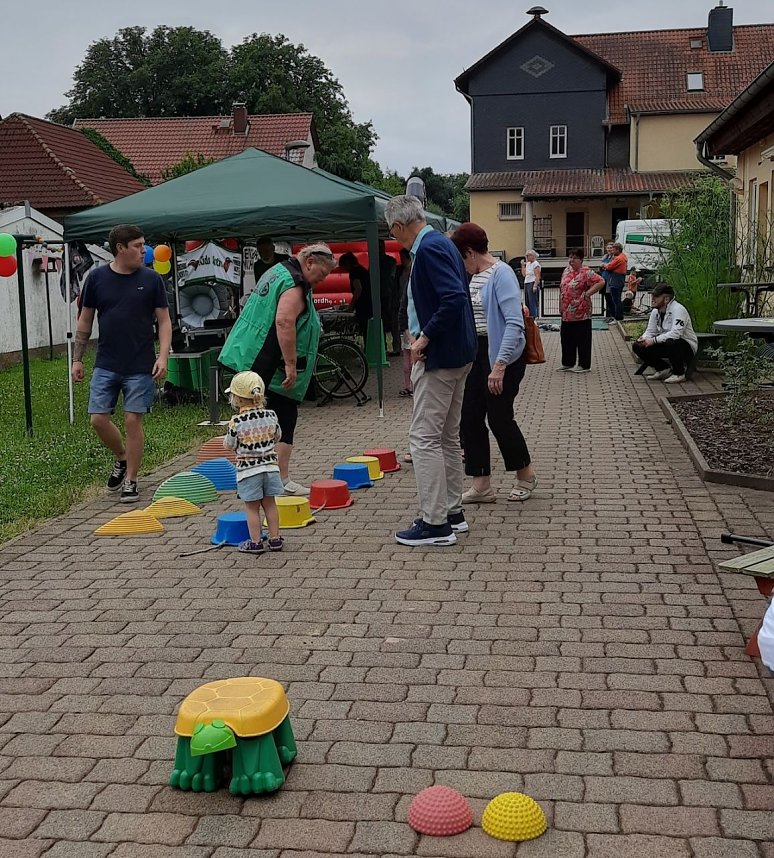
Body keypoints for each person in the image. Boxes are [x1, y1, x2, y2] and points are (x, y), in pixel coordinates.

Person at [384, 195, 476, 547]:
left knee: (423, 439)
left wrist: (424, 338)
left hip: (440, 357)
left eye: (392, 232)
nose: (394, 237)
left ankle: (435, 522)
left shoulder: (429, 249)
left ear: (398, 226)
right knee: (448, 437)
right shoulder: (443, 243)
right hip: (459, 354)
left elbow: (453, 297)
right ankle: (452, 512)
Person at [219, 243, 336, 496]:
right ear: (309, 262)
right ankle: (278, 480)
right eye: (322, 273)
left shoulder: (277, 271)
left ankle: (255, 480)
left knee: (256, 418)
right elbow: (284, 321)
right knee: (281, 419)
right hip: (269, 364)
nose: (322, 280)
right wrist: (291, 365)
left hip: (248, 353)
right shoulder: (294, 283)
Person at [72, 223, 171, 503]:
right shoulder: (96, 279)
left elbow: (164, 321)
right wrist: (77, 359)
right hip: (106, 362)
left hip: (141, 364)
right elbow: (85, 320)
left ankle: (131, 481)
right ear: (120, 248)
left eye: (144, 245)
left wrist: (163, 356)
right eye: (138, 246)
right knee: (98, 419)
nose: (144, 251)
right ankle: (122, 457)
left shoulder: (152, 280)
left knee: (132, 420)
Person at [451, 223, 537, 504]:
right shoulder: (469, 274)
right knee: (470, 417)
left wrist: (499, 365)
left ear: (470, 252)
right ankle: (481, 484)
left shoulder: (501, 274)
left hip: (503, 353)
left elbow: (514, 323)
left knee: (499, 417)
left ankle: (525, 474)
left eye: (461, 257)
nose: (461, 264)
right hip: (476, 353)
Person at [223, 371, 284, 554]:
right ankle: (275, 540)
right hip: (271, 469)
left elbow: (230, 444)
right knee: (270, 504)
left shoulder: (236, 421)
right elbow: (278, 436)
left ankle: (256, 542)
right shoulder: (271, 415)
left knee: (252, 508)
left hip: (248, 472)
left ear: (237, 399)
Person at [632, 283, 698, 383]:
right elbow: (650, 330)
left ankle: (679, 373)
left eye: (656, 297)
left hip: (685, 345)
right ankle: (663, 369)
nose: (652, 299)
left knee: (671, 342)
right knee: (637, 346)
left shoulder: (679, 310)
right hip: (665, 342)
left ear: (666, 299)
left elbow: (676, 334)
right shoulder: (655, 311)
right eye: (652, 296)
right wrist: (644, 339)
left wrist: (653, 340)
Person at [558, 248, 605, 373]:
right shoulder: (566, 271)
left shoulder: (586, 272)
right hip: (566, 312)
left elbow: (600, 282)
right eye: (570, 257)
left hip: (581, 311)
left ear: (581, 260)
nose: (571, 260)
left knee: (582, 338)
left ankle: (584, 365)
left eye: (574, 258)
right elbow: (562, 288)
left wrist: (587, 294)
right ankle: (568, 363)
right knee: (566, 338)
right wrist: (560, 306)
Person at [338, 251, 372, 342]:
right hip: (370, 303)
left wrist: (351, 305)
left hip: (363, 305)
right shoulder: (363, 270)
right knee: (368, 330)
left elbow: (358, 289)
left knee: (365, 329)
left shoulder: (354, 272)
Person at [378, 240, 401, 355]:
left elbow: (392, 279)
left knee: (393, 322)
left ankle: (396, 347)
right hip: (381, 296)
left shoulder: (390, 261)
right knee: (382, 322)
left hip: (390, 296)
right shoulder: (375, 262)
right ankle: (384, 347)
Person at [396, 247, 413, 397]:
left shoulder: (406, 274)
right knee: (410, 357)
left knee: (408, 356)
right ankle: (411, 386)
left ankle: (409, 385)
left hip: (408, 321)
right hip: (411, 322)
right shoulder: (409, 274)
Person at [600, 241, 627, 322]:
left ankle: (618, 318)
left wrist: (604, 265)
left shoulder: (618, 258)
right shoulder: (622, 257)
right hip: (616, 279)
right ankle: (616, 317)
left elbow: (609, 266)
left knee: (616, 300)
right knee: (615, 299)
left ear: (618, 250)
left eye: (613, 249)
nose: (612, 251)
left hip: (615, 280)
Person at [521, 250, 542, 321]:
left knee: (532, 300)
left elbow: (537, 275)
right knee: (527, 300)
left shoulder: (536, 264)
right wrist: (523, 266)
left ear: (533, 256)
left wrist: (535, 285)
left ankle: (533, 316)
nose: (527, 257)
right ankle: (528, 315)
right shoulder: (528, 264)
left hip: (532, 282)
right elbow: (524, 274)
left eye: (529, 255)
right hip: (527, 282)